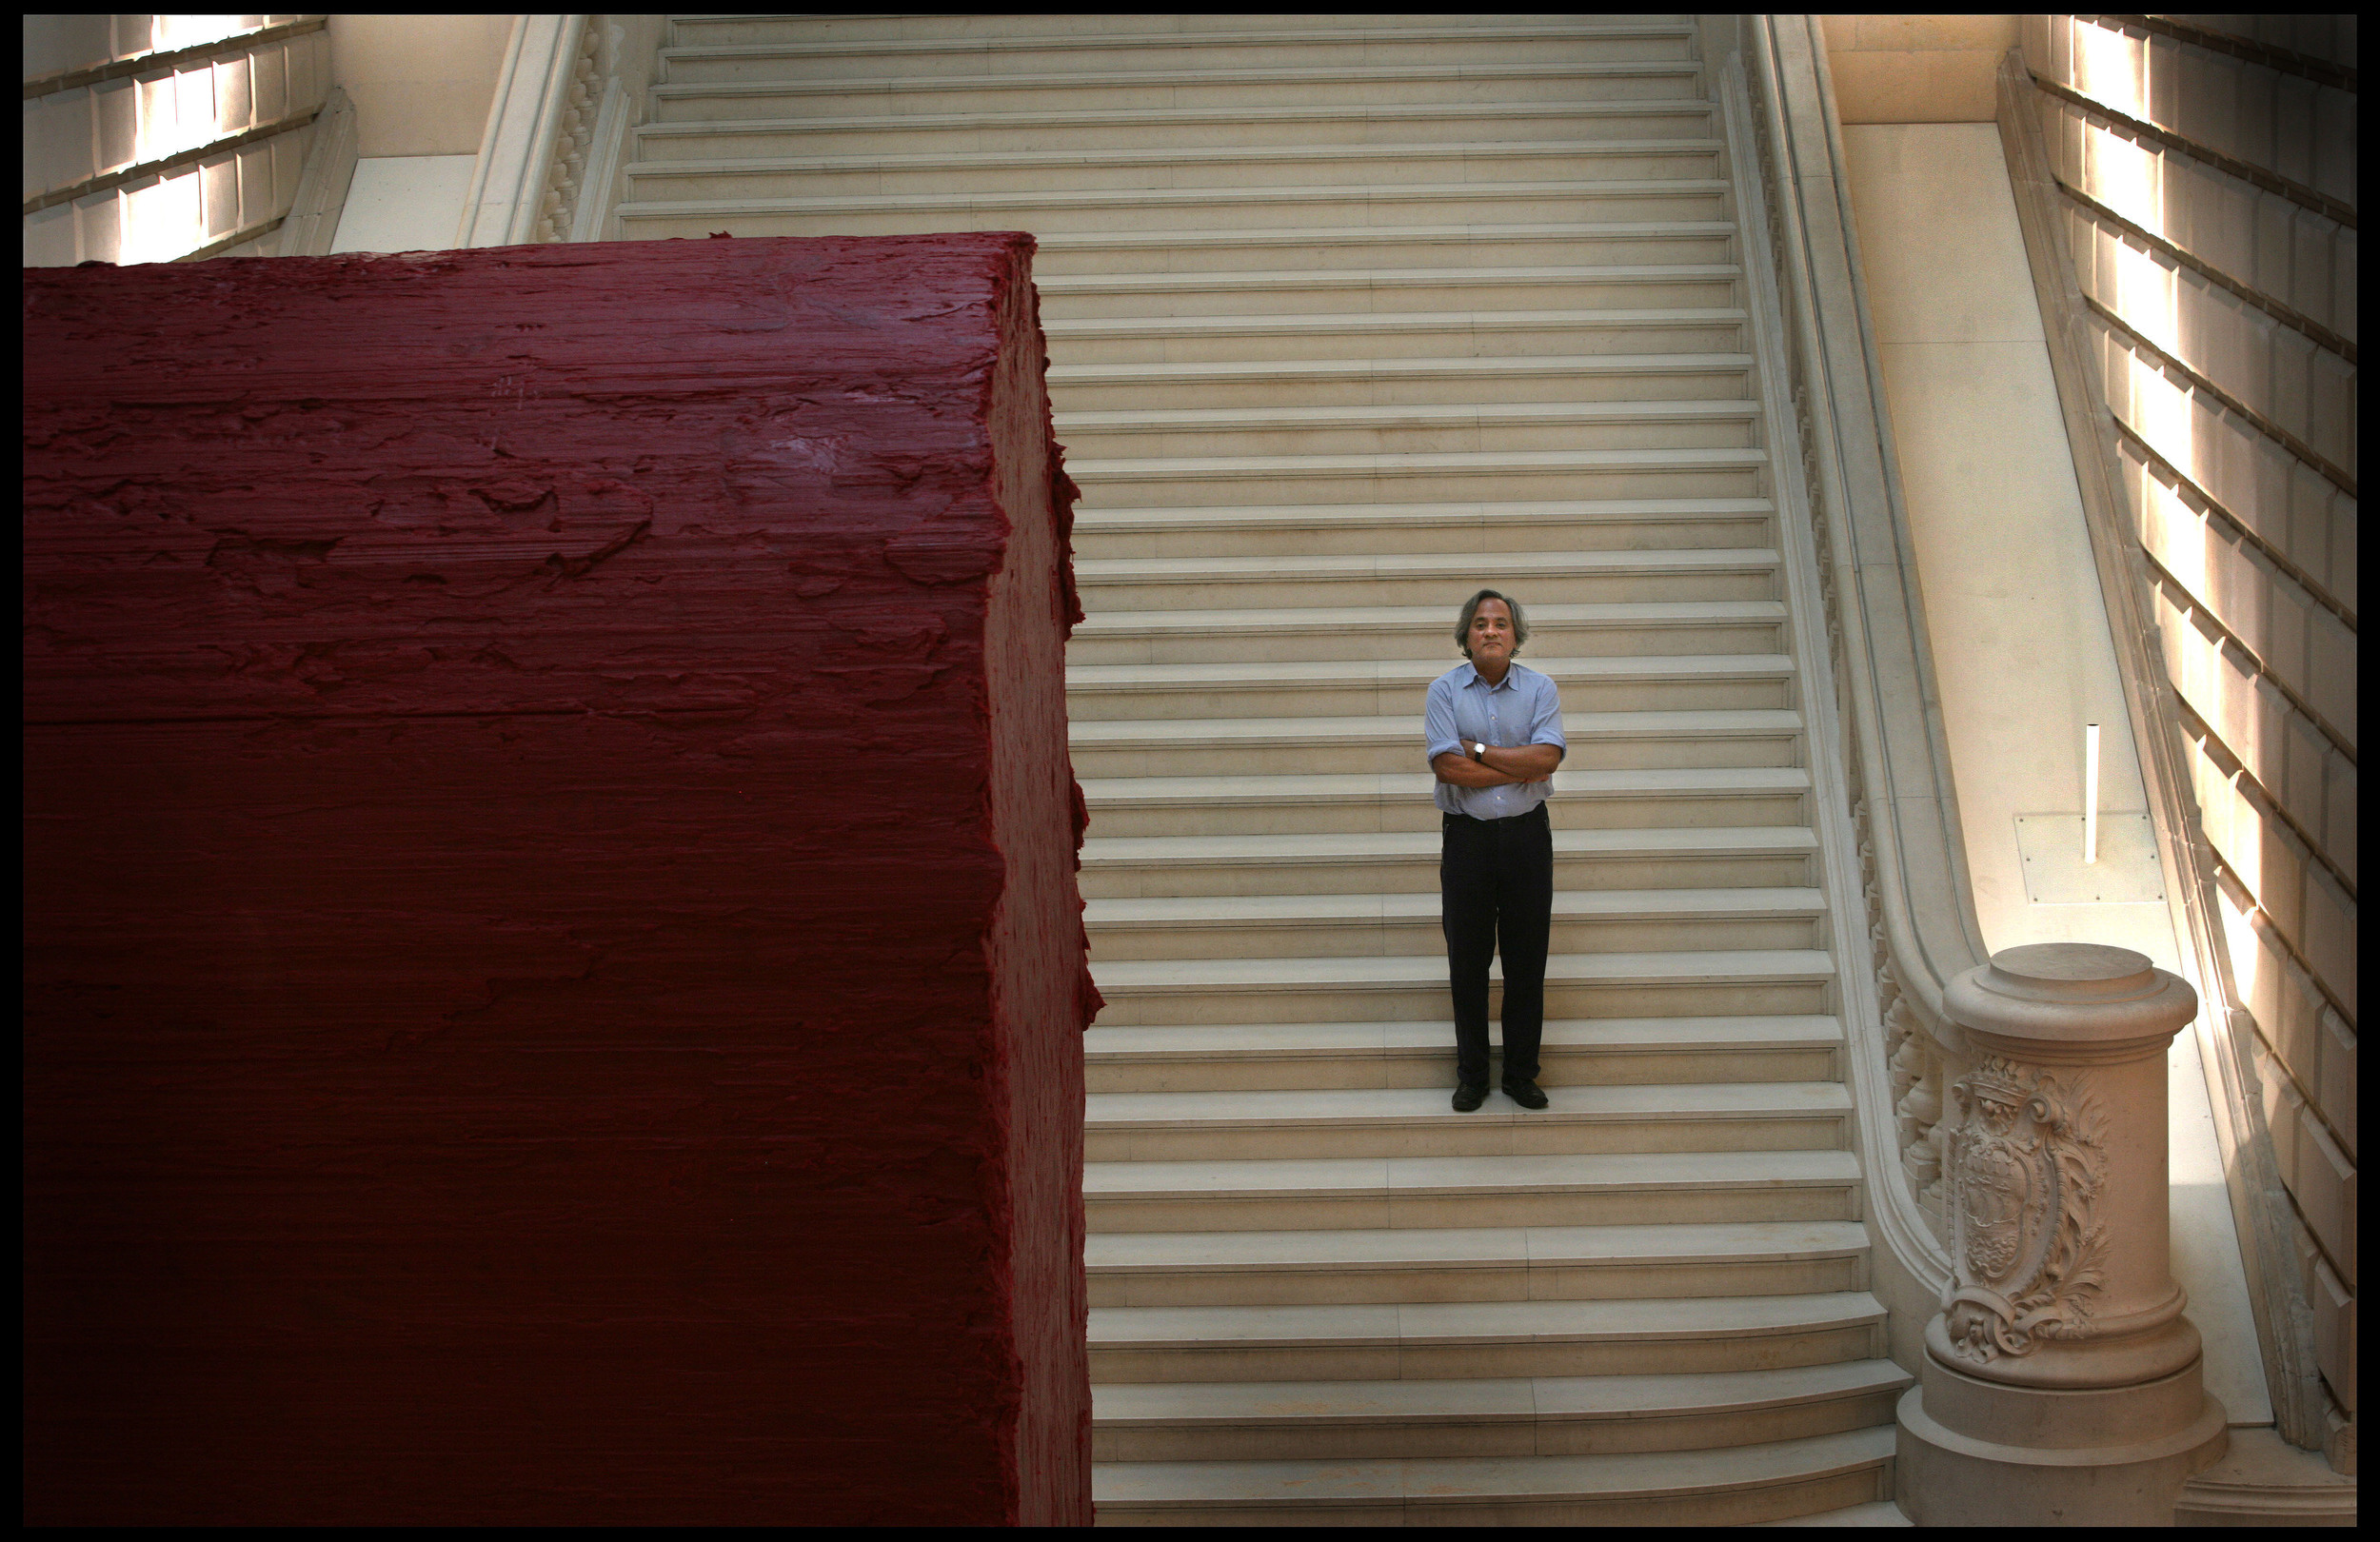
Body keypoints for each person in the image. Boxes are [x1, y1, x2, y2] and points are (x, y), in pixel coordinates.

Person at [1423, 589, 1566, 1113]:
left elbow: (1547, 759)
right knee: (1468, 962)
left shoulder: (1540, 688)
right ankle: (1473, 1075)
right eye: (1480, 623)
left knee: (1527, 961)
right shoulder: (1442, 692)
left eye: (1500, 622)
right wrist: (1516, 762)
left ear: (1515, 635)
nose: (1490, 630)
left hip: (1528, 837)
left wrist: (1478, 748)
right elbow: (1447, 767)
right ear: (1466, 636)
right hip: (1468, 840)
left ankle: (1522, 1074)